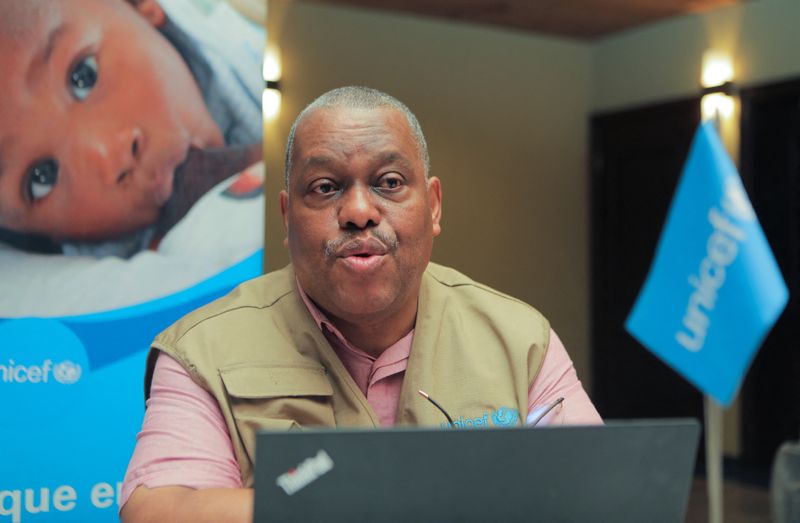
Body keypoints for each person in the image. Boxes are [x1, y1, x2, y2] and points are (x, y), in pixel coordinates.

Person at [120, 86, 602, 522]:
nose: (357, 212)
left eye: (389, 182)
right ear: (288, 218)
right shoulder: (204, 348)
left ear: (433, 206)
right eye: (325, 187)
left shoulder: (517, 338)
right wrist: (368, 498)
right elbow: (160, 508)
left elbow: (599, 491)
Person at [0, 0, 265, 316]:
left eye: (84, 76)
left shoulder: (255, 40)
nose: (108, 157)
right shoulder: (95, 291)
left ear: (143, 8)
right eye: (42, 178)